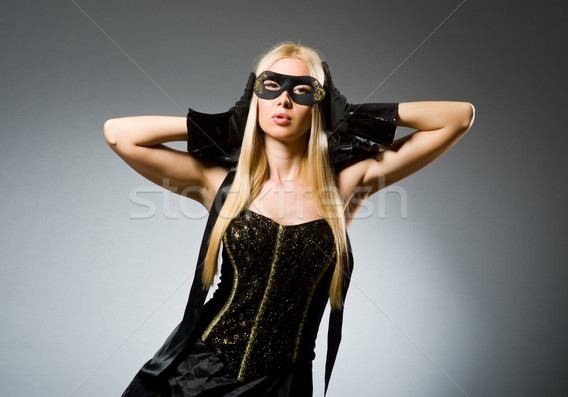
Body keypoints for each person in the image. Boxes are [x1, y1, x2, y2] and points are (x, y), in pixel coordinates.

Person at [104, 42, 474, 396]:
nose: (283, 99)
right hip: (198, 376)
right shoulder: (217, 182)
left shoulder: (345, 185)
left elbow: (457, 117)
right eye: (270, 87)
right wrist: (223, 124)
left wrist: (347, 115)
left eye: (301, 90)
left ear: (319, 104)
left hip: (285, 384)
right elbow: (120, 135)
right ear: (255, 99)